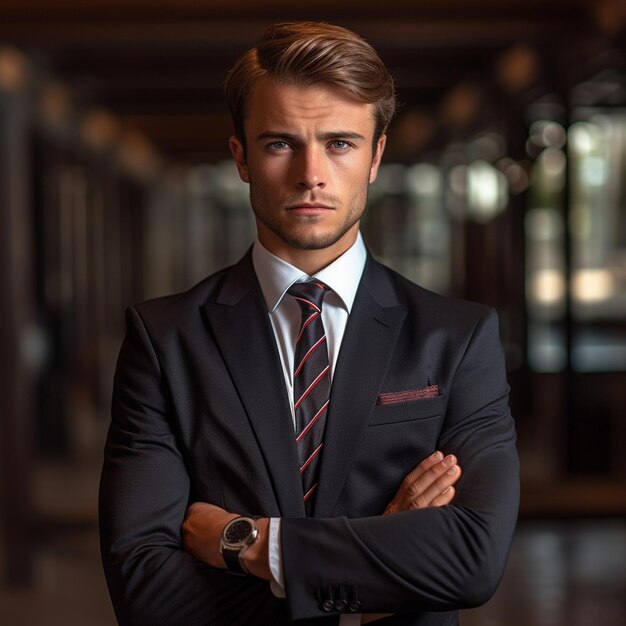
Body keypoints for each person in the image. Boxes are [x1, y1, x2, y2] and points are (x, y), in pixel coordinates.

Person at [99, 21, 519, 626]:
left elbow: (473, 562)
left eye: (341, 143)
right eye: (279, 144)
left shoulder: (458, 338)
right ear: (241, 156)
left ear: (375, 156)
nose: (311, 175)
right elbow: (144, 590)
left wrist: (250, 543)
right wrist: (379, 578)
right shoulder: (165, 340)